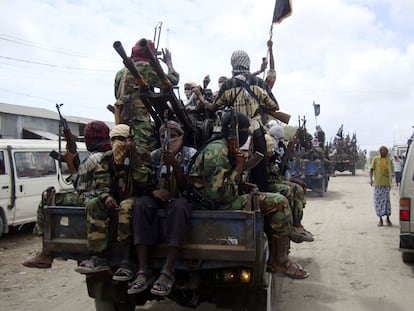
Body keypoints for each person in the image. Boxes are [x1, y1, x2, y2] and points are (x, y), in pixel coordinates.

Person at [188, 112, 309, 279]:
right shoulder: (217, 150)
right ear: (236, 132)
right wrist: (239, 168)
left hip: (217, 199)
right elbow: (218, 194)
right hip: (214, 204)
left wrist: (243, 184)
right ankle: (280, 260)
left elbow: (222, 183)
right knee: (279, 202)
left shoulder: (223, 147)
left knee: (264, 195)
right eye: (245, 131)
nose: (246, 136)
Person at [22, 121, 112, 269]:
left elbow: (79, 187)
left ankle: (46, 252)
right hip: (101, 197)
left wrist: (70, 163)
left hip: (90, 198)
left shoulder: (93, 159)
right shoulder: (108, 154)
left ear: (90, 139)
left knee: (48, 196)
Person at [196, 50, 280, 192]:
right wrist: (259, 106)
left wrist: (199, 97)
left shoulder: (228, 85)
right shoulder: (259, 82)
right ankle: (263, 196)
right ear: (248, 63)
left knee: (231, 164)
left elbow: (212, 107)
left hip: (235, 133)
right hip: (257, 130)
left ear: (232, 63)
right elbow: (275, 106)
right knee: (261, 169)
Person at [127, 120, 196, 296]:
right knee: (141, 205)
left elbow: (188, 187)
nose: (169, 140)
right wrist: (154, 192)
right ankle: (143, 270)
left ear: (181, 136)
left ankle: (168, 269)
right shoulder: (155, 155)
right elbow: (146, 182)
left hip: (181, 199)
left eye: (173, 136)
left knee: (179, 207)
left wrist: (175, 165)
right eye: (165, 136)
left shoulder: (191, 154)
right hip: (159, 198)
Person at [75, 124, 152, 276]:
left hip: (137, 197)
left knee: (125, 207)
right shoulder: (107, 158)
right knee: (93, 204)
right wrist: (106, 196)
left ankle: (126, 259)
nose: (117, 143)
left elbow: (144, 181)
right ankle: (98, 255)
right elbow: (101, 182)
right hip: (114, 197)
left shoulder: (142, 155)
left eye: (122, 139)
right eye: (113, 139)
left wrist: (134, 158)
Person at [114, 38, 179, 167]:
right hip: (140, 124)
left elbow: (117, 95)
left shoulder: (121, 73)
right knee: (143, 160)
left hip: (121, 122)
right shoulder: (146, 67)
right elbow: (172, 80)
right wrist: (169, 63)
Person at [267, 123, 314, 243]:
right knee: (288, 190)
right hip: (267, 183)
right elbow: (271, 176)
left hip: (275, 179)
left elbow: (278, 175)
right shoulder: (268, 149)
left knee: (297, 188)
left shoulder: (279, 149)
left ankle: (297, 224)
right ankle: (288, 226)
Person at [370, 146, 394, 226]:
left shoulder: (389, 160)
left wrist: (392, 182)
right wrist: (371, 180)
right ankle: (380, 220)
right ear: (379, 151)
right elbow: (371, 169)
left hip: (386, 184)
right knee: (378, 201)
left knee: (387, 202)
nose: (383, 151)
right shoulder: (376, 159)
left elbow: (392, 172)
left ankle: (388, 219)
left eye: (384, 150)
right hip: (378, 184)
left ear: (387, 152)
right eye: (381, 150)